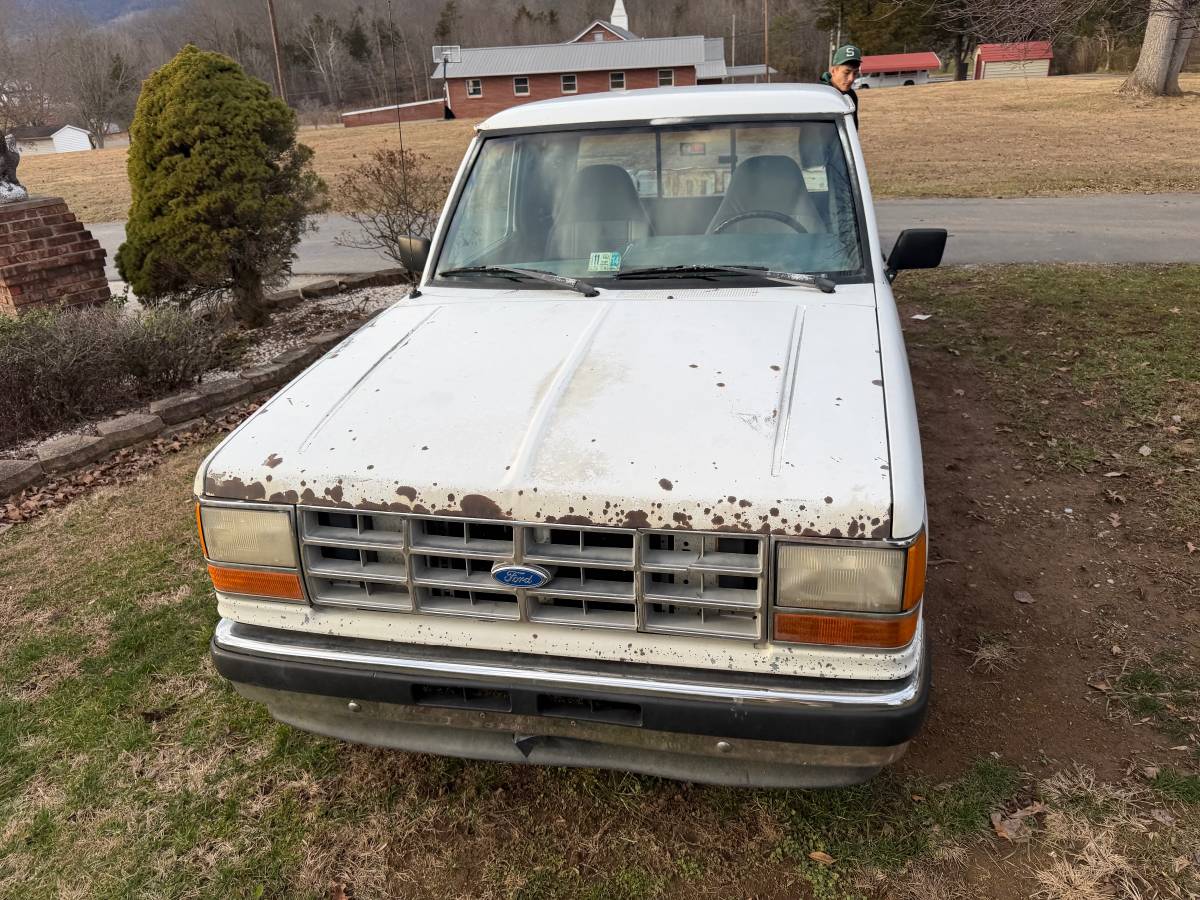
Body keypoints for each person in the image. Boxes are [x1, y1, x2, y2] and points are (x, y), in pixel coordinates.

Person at [820, 44, 863, 130]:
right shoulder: (820, 94)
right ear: (833, 71)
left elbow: (853, 129)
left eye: (855, 73)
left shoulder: (851, 95)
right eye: (846, 73)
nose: (851, 79)